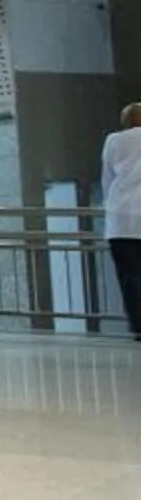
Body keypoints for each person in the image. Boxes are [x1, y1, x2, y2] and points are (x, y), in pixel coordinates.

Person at [103, 105, 141, 339]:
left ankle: (138, 325)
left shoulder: (113, 141)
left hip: (121, 219)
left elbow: (107, 179)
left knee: (130, 276)